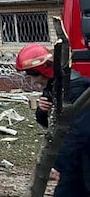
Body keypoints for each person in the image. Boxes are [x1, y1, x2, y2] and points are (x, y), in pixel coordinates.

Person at [15, 43, 90, 196]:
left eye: (32, 77)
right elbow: (49, 123)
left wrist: (57, 163)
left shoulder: (75, 91)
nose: (32, 83)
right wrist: (42, 111)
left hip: (84, 157)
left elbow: (79, 132)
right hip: (75, 162)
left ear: (43, 70)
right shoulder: (53, 88)